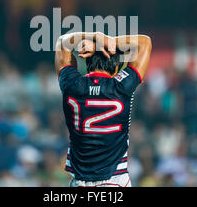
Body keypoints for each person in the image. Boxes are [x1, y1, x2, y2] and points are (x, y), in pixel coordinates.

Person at [55, 32, 152, 187]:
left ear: (87, 63)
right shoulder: (122, 87)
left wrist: (96, 37)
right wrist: (110, 42)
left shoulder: (72, 85)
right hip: (115, 179)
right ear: (117, 68)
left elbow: (62, 43)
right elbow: (144, 42)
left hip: (80, 181)